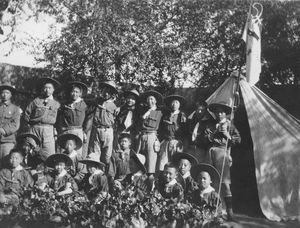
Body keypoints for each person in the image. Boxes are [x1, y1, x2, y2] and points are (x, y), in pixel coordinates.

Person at [202, 102, 241, 221]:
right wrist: (211, 136)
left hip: (222, 152)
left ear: (225, 114)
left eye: (221, 112)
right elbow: (204, 139)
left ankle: (230, 213)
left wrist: (226, 134)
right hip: (210, 152)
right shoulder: (211, 124)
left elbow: (237, 140)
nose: (219, 114)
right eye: (217, 112)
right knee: (210, 180)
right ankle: (215, 211)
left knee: (224, 182)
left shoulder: (230, 125)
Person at [23, 77, 61, 161]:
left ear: (53, 90)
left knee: (49, 154)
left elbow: (59, 120)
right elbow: (26, 114)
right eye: (45, 88)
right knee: (32, 152)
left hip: (48, 130)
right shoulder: (36, 101)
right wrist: (29, 127)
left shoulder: (57, 104)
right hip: (34, 129)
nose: (47, 90)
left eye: (49, 88)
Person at [84, 80, 118, 167]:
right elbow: (87, 102)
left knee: (107, 155)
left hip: (108, 130)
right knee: (95, 152)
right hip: (97, 129)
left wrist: (119, 108)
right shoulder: (97, 101)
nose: (106, 94)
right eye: (104, 91)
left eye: (109, 92)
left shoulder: (115, 105)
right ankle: (95, 172)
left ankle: (105, 174)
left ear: (112, 94)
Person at [57, 81, 88, 158]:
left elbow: (88, 119)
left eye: (77, 92)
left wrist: (85, 131)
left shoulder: (84, 105)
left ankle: (77, 169)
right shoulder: (65, 105)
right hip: (67, 131)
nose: (74, 94)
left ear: (80, 93)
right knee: (65, 151)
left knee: (77, 154)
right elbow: (60, 119)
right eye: (73, 91)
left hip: (78, 131)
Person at [157, 95, 187, 171]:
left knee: (175, 162)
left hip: (176, 142)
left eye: (176, 103)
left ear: (179, 105)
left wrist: (180, 142)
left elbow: (184, 130)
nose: (174, 104)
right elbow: (161, 128)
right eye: (172, 103)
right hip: (166, 141)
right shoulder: (166, 115)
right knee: (162, 163)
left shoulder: (182, 115)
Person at [136, 90, 163, 174]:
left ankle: (150, 180)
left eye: (152, 99)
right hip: (142, 136)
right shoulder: (143, 111)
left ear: (155, 101)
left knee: (151, 161)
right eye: (148, 99)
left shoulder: (160, 112)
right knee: (139, 159)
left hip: (151, 136)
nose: (149, 101)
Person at [0, 84, 21, 161]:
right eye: (3, 92)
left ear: (11, 95)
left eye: (7, 93)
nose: (4, 95)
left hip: (7, 141)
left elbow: (15, 124)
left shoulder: (15, 109)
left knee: (6, 164)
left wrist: (3, 130)